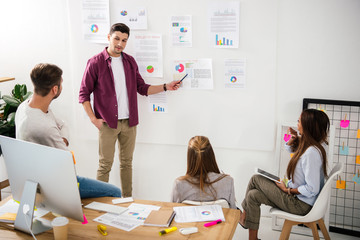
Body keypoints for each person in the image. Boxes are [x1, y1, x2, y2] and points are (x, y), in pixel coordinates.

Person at [79, 23, 180, 197]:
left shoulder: (130, 62)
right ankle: (98, 203)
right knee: (105, 165)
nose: (120, 43)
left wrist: (166, 86)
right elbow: (83, 94)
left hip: (129, 123)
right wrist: (93, 119)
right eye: (117, 38)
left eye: (124, 40)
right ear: (109, 37)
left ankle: (127, 201)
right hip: (107, 124)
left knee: (127, 164)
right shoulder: (95, 63)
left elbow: (142, 88)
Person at [15, 63, 121, 199]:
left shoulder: (25, 107)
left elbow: (62, 125)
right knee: (115, 192)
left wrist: (61, 140)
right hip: (56, 183)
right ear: (55, 89)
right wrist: (61, 140)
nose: (62, 87)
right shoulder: (44, 127)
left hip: (36, 177)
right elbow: (67, 164)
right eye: (61, 84)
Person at [239, 109, 330, 240]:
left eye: (299, 121)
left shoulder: (311, 153)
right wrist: (294, 138)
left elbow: (312, 189)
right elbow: (290, 148)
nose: (297, 123)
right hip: (299, 200)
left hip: (300, 205)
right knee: (253, 196)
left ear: (307, 125)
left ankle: (244, 215)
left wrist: (287, 190)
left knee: (255, 179)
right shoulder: (311, 145)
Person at [171, 136, 237, 209]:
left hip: (190, 221)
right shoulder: (228, 181)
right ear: (211, 155)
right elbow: (233, 213)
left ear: (189, 157)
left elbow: (173, 213)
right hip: (221, 221)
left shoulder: (179, 184)